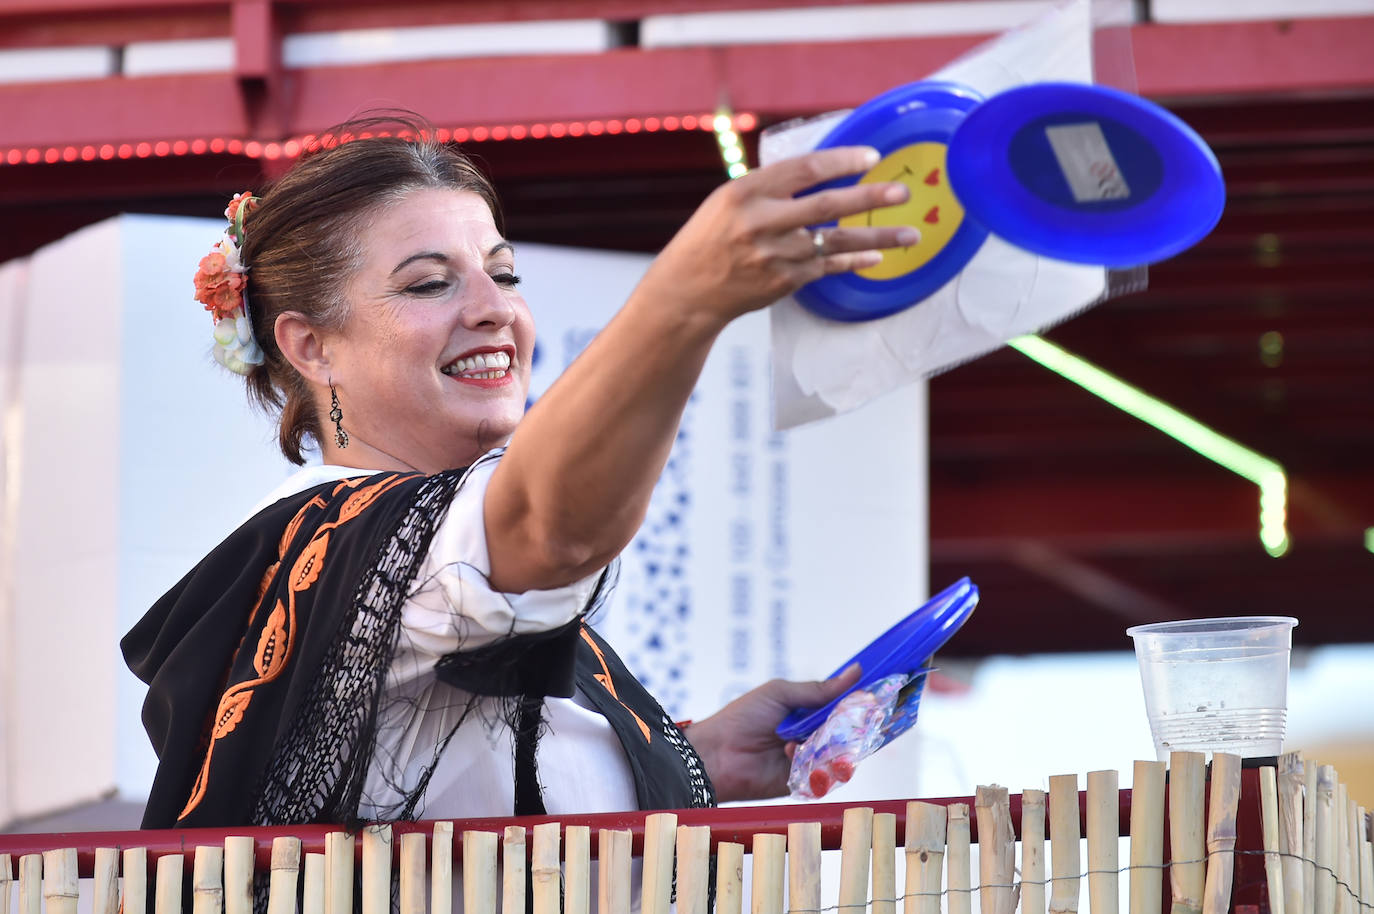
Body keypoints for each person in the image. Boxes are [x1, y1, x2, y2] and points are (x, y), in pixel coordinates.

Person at [121, 113, 919, 830]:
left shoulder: (424, 562)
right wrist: (685, 300)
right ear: (310, 346)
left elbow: (487, 791)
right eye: (429, 283)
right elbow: (552, 526)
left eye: (503, 273)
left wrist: (695, 757)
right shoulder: (347, 545)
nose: (493, 307)